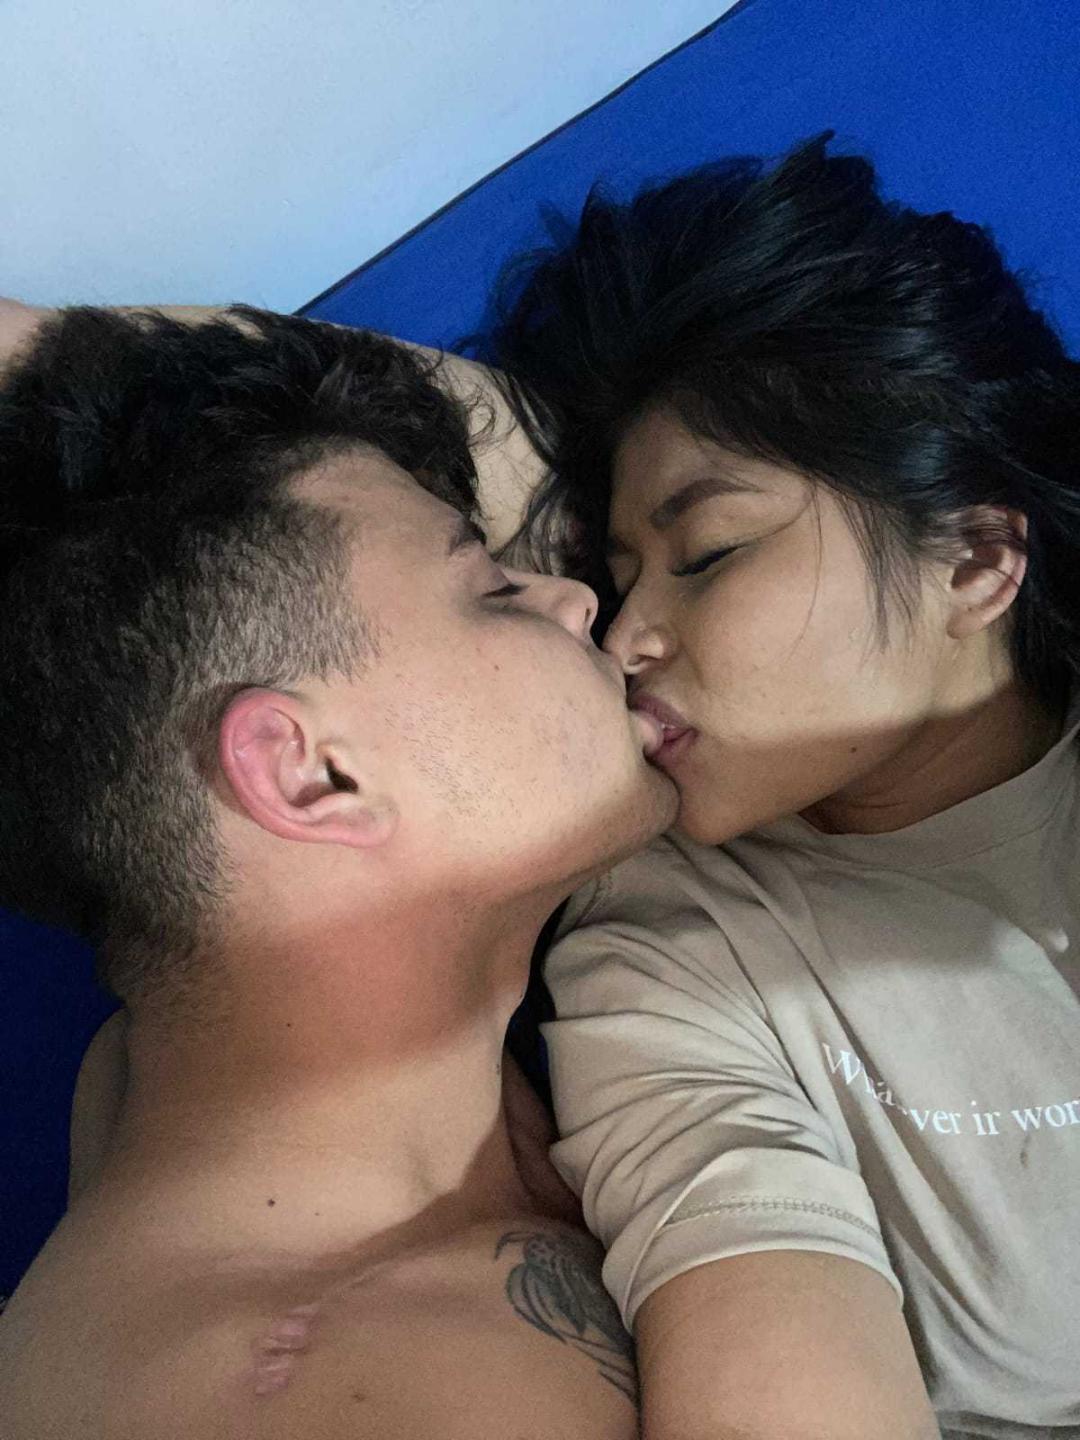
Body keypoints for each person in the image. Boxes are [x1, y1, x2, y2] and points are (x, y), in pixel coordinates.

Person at [485, 136, 1080, 1437]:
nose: (624, 640)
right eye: (620, 578)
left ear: (976, 558)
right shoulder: (670, 957)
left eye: (705, 553)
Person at [0, 304, 676, 1438]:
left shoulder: (163, 1078)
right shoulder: (379, 1390)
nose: (578, 598)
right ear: (311, 775)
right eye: (493, 589)